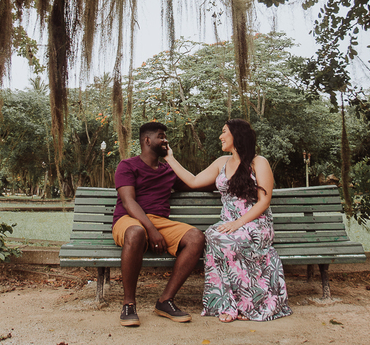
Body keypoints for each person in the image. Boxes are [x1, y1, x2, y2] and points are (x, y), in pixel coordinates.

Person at [164, 118, 291, 322]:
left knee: (229, 239)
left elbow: (264, 201)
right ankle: (226, 303)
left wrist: (238, 223)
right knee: (213, 236)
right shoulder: (221, 163)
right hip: (229, 223)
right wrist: (170, 158)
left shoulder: (259, 162)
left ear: (236, 135)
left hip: (255, 223)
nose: (220, 136)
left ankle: (248, 304)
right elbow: (194, 181)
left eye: (224, 132)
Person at [112, 121, 206, 327]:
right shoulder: (127, 165)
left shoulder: (169, 171)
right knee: (136, 232)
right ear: (147, 140)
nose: (166, 140)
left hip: (159, 221)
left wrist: (231, 177)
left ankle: (165, 301)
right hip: (129, 220)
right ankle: (129, 304)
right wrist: (151, 230)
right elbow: (129, 202)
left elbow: (195, 183)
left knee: (196, 237)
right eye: (161, 136)